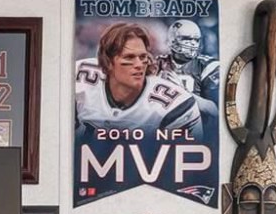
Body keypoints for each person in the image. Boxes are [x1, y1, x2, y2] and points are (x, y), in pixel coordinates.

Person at [75, 20, 207, 132]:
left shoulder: (175, 105)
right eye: (129, 57)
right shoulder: (77, 77)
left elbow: (185, 158)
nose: (139, 65)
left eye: (143, 57)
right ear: (108, 62)